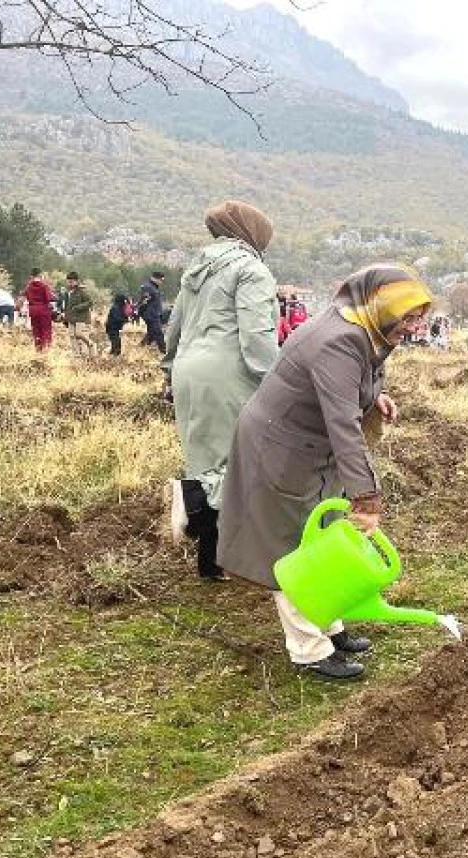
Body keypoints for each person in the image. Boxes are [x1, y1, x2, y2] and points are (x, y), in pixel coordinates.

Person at [218, 264, 433, 680]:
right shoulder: (338, 340)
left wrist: (374, 396)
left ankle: (328, 623)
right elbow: (343, 427)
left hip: (307, 448)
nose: (415, 327)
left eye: (419, 317)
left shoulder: (360, 326)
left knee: (323, 534)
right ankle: (308, 649)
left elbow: (344, 387)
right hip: (281, 449)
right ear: (381, 305)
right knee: (293, 545)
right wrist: (367, 498)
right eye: (408, 317)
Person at [162, 200, 277, 582]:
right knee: (234, 463)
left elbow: (173, 329)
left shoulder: (196, 270)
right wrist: (277, 384)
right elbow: (257, 338)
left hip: (189, 371)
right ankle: (193, 508)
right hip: (229, 372)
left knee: (205, 457)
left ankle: (211, 563)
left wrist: (170, 372)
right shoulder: (251, 270)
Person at [62, 272, 97, 356]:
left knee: (79, 334)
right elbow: (66, 306)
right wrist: (65, 317)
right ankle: (76, 355)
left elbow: (90, 302)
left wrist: (78, 307)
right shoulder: (67, 293)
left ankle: (91, 344)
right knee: (72, 336)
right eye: (68, 281)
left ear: (77, 281)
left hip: (82, 318)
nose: (70, 283)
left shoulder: (82, 291)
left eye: (72, 281)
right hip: (71, 318)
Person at [20, 269, 56, 351]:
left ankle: (38, 349)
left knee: (36, 330)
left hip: (33, 310)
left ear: (31, 276)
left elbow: (25, 296)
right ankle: (45, 349)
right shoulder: (44, 285)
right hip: (44, 310)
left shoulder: (28, 286)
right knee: (46, 330)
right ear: (40, 275)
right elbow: (49, 298)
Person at [139, 271, 167, 353]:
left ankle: (141, 347)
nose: (162, 282)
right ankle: (164, 352)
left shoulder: (154, 287)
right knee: (158, 333)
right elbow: (143, 302)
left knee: (151, 334)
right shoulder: (148, 287)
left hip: (154, 314)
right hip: (150, 315)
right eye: (161, 280)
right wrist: (142, 314)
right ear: (155, 278)